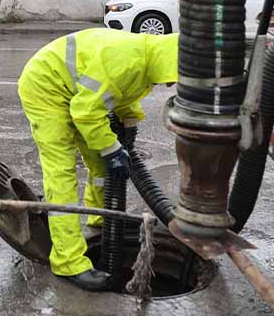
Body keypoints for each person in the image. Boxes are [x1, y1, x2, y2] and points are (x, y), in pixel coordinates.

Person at [17, 29, 179, 290]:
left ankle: (101, 219)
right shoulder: (128, 61)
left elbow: (120, 93)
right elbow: (86, 112)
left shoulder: (148, 62)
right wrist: (112, 149)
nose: (171, 84)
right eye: (174, 78)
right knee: (62, 173)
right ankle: (68, 262)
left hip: (77, 96)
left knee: (101, 166)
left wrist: (128, 121)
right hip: (46, 88)